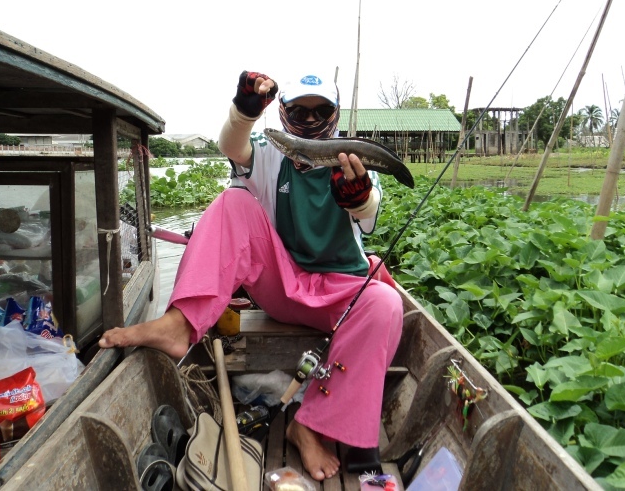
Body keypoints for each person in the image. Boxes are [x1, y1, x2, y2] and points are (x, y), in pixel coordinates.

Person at [99, 71, 404, 481]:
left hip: (339, 294)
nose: (309, 118)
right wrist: (244, 112)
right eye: (298, 109)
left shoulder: (355, 162)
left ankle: (308, 423)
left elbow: (369, 208)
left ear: (334, 115)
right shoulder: (271, 152)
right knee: (232, 201)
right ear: (282, 111)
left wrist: (359, 198)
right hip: (284, 285)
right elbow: (232, 145)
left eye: (320, 111)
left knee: (386, 302)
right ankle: (178, 323)